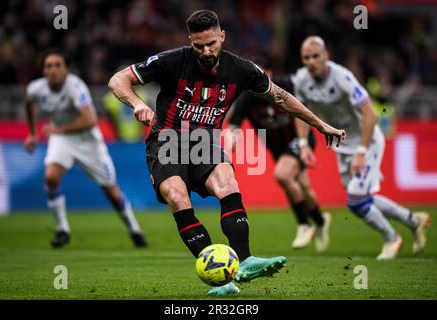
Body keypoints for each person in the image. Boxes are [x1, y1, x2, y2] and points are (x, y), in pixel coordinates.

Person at [108, 10, 345, 296]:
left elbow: (281, 97)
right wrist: (135, 103)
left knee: (227, 183)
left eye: (211, 44)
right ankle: (221, 279)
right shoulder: (172, 60)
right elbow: (118, 80)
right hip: (167, 141)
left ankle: (245, 261)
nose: (206, 51)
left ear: (222, 36)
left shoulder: (241, 69)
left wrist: (320, 125)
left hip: (205, 141)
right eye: (198, 46)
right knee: (176, 196)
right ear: (190, 41)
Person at [293, 36, 430, 260]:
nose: (311, 62)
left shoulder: (342, 77)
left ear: (326, 55)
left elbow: (370, 114)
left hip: (367, 142)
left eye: (316, 56)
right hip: (342, 145)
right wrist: (302, 143)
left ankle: (391, 238)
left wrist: (361, 152)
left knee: (356, 201)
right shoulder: (301, 80)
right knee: (362, 198)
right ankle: (413, 220)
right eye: (306, 58)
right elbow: (300, 113)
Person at [24, 49, 149, 249]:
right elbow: (29, 103)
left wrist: (57, 129)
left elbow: (90, 119)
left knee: (112, 192)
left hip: (88, 142)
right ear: (43, 71)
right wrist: (32, 133)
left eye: (58, 65)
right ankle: (62, 229)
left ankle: (135, 230)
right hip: (62, 140)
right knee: (51, 177)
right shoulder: (36, 88)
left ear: (66, 69)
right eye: (49, 66)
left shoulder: (75, 86)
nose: (53, 70)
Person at [226, 59, 331, 252]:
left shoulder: (286, 85)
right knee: (304, 188)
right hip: (276, 147)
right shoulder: (247, 98)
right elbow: (234, 125)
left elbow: (303, 112)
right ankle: (321, 220)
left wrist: (302, 143)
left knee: (283, 175)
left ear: (270, 73)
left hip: (299, 140)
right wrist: (232, 138)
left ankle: (304, 225)